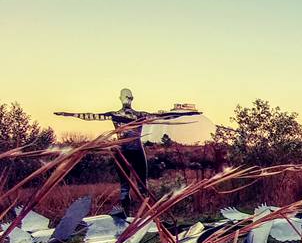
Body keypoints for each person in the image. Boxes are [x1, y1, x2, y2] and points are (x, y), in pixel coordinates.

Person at [55, 88, 201, 214]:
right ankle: (131, 216)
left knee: (139, 186)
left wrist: (187, 114)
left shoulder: (132, 115)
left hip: (131, 151)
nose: (126, 99)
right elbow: (91, 116)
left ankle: (145, 215)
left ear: (129, 99)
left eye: (127, 97)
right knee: (129, 186)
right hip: (126, 152)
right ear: (124, 98)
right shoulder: (131, 115)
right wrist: (69, 114)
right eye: (125, 96)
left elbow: (164, 116)